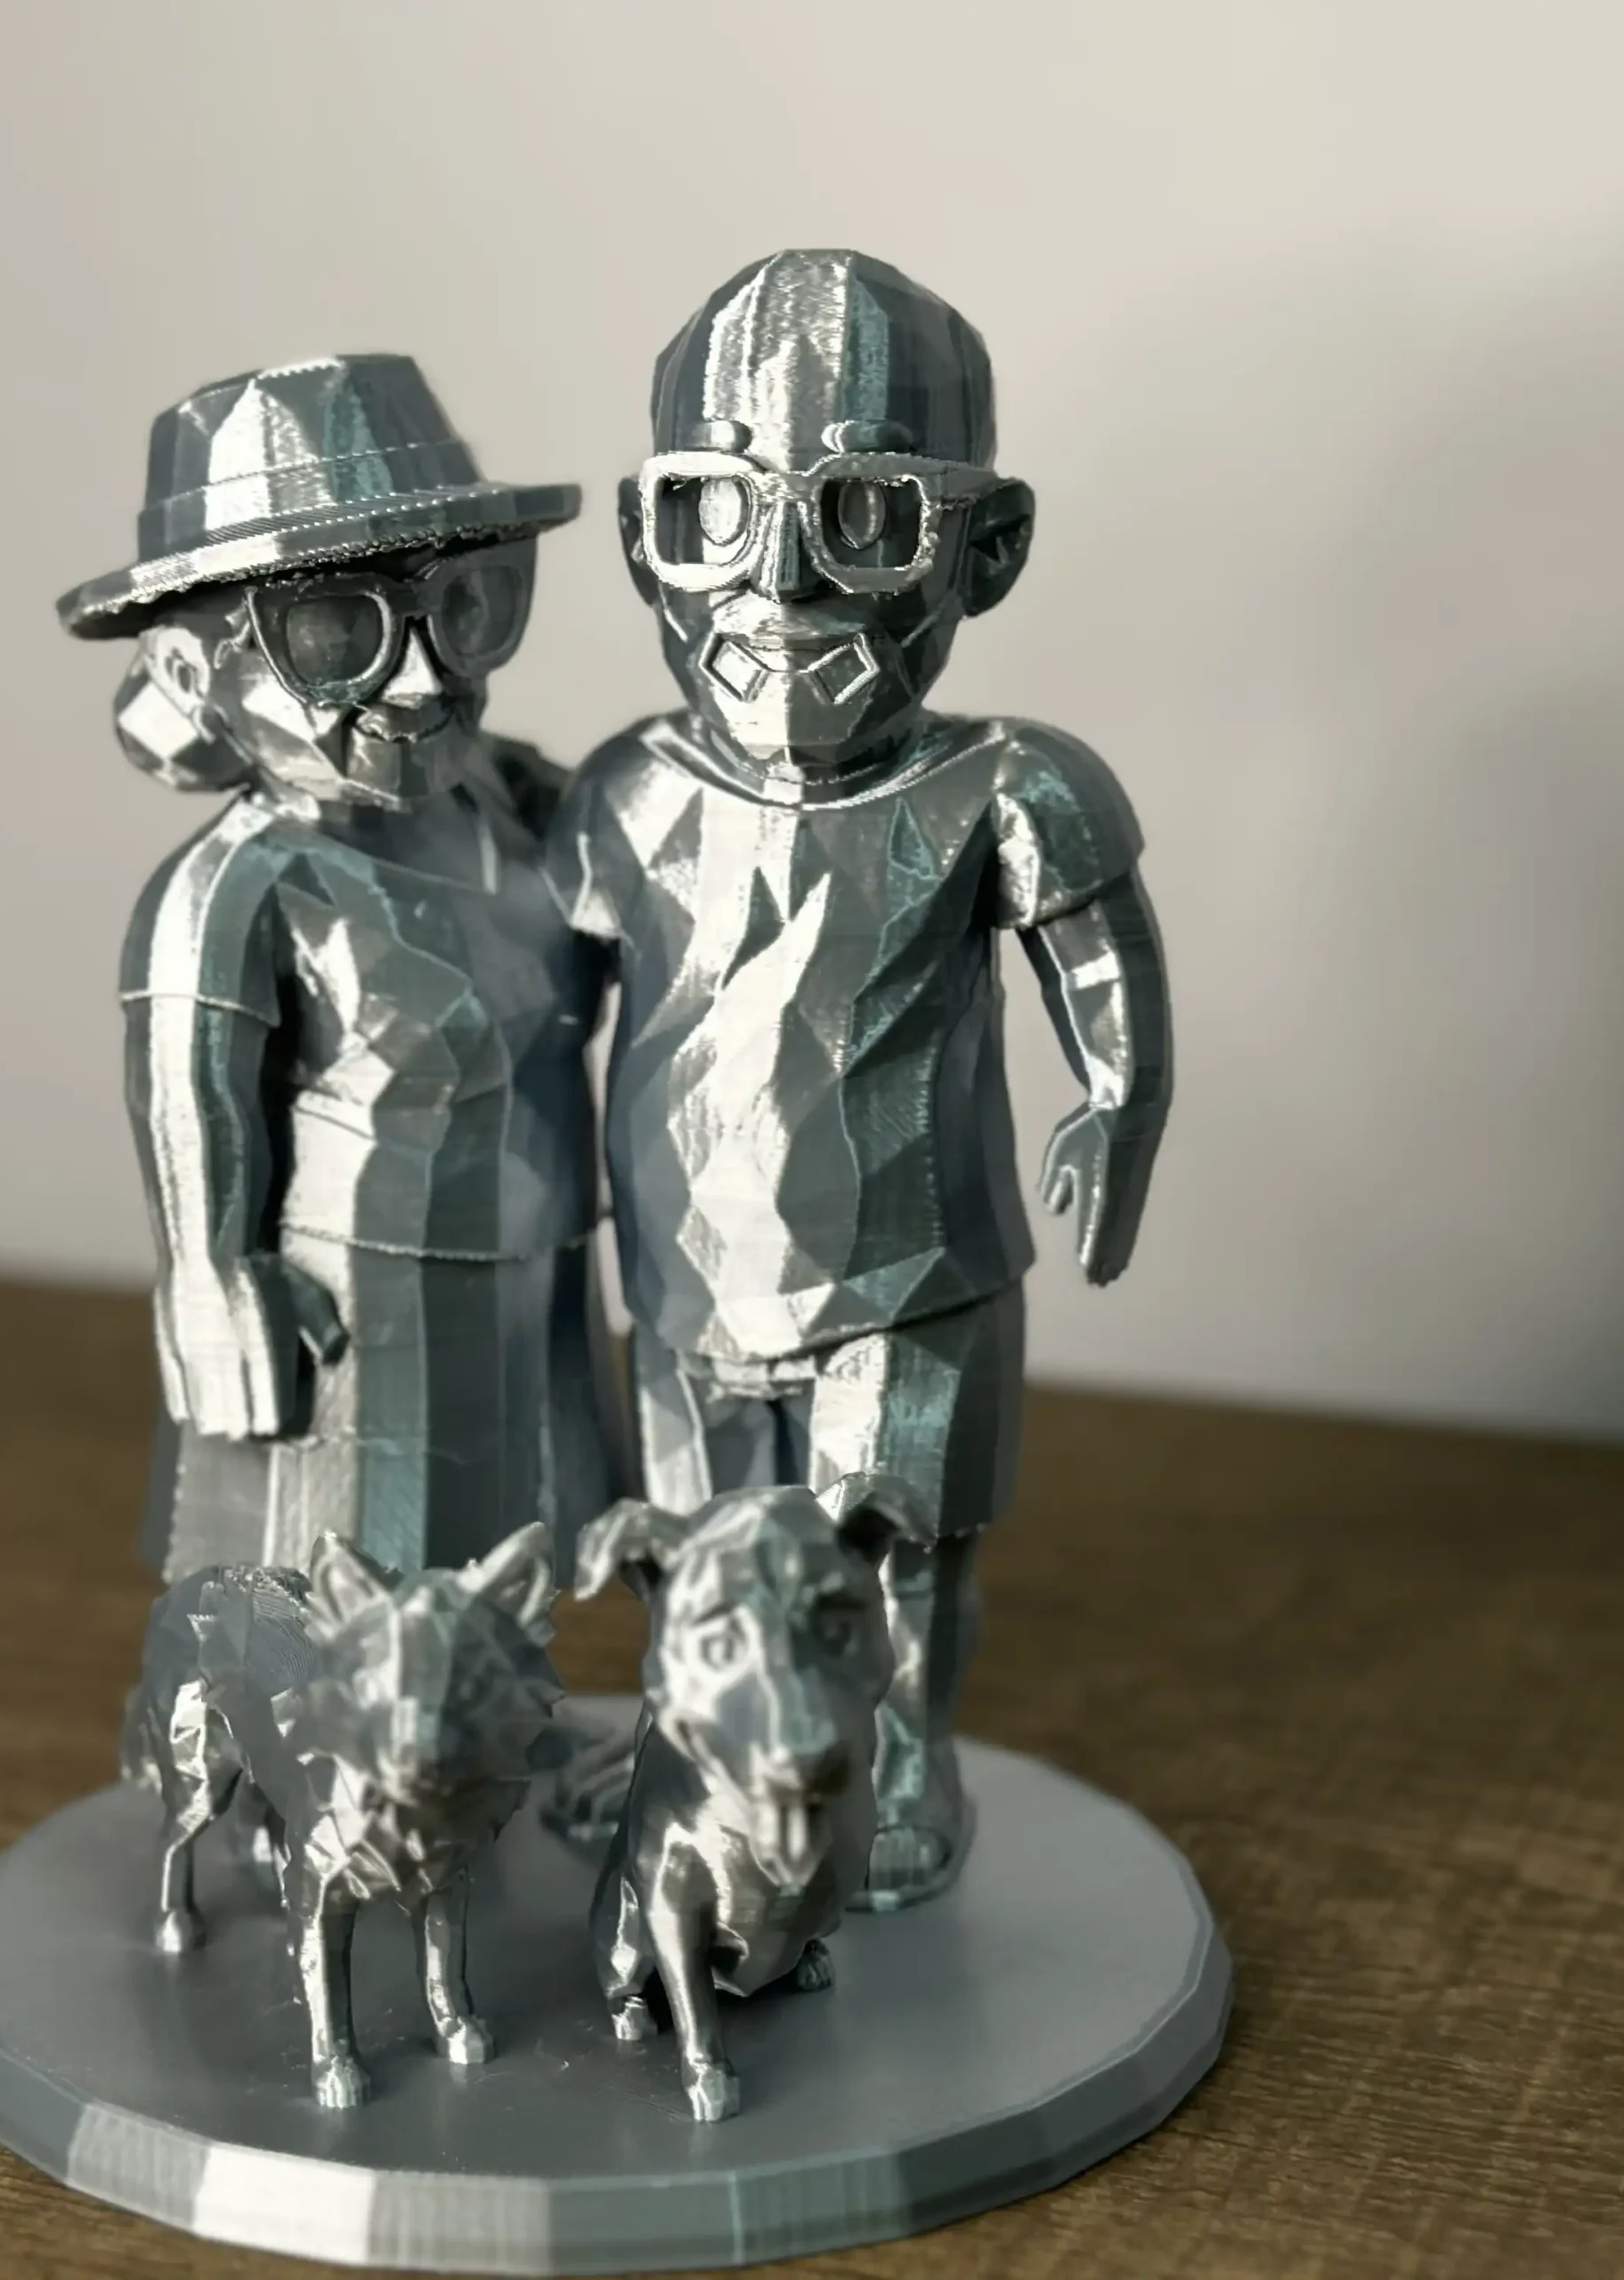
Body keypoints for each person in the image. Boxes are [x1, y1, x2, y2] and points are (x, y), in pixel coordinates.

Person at [550, 253, 1173, 1908]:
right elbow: (529, 1005)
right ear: (644, 540)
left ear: (989, 546)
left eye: (866, 518)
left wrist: (1122, 1101)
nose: (781, 581)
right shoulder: (623, 795)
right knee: (702, 1551)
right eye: (713, 513)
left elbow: (1102, 964)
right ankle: (692, 1752)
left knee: (897, 1551)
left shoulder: (1011, 789)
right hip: (682, 1274)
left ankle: (898, 1765)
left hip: (918, 1271)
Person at [59, 354, 612, 1579]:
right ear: (191, 670)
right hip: (362, 1303)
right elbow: (190, 1101)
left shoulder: (513, 799)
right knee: (356, 1571)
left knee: (527, 1552)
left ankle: (492, 1699)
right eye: (334, 631)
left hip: (547, 1270)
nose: (422, 676)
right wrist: (209, 1280)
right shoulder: (234, 887)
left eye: (465, 607)